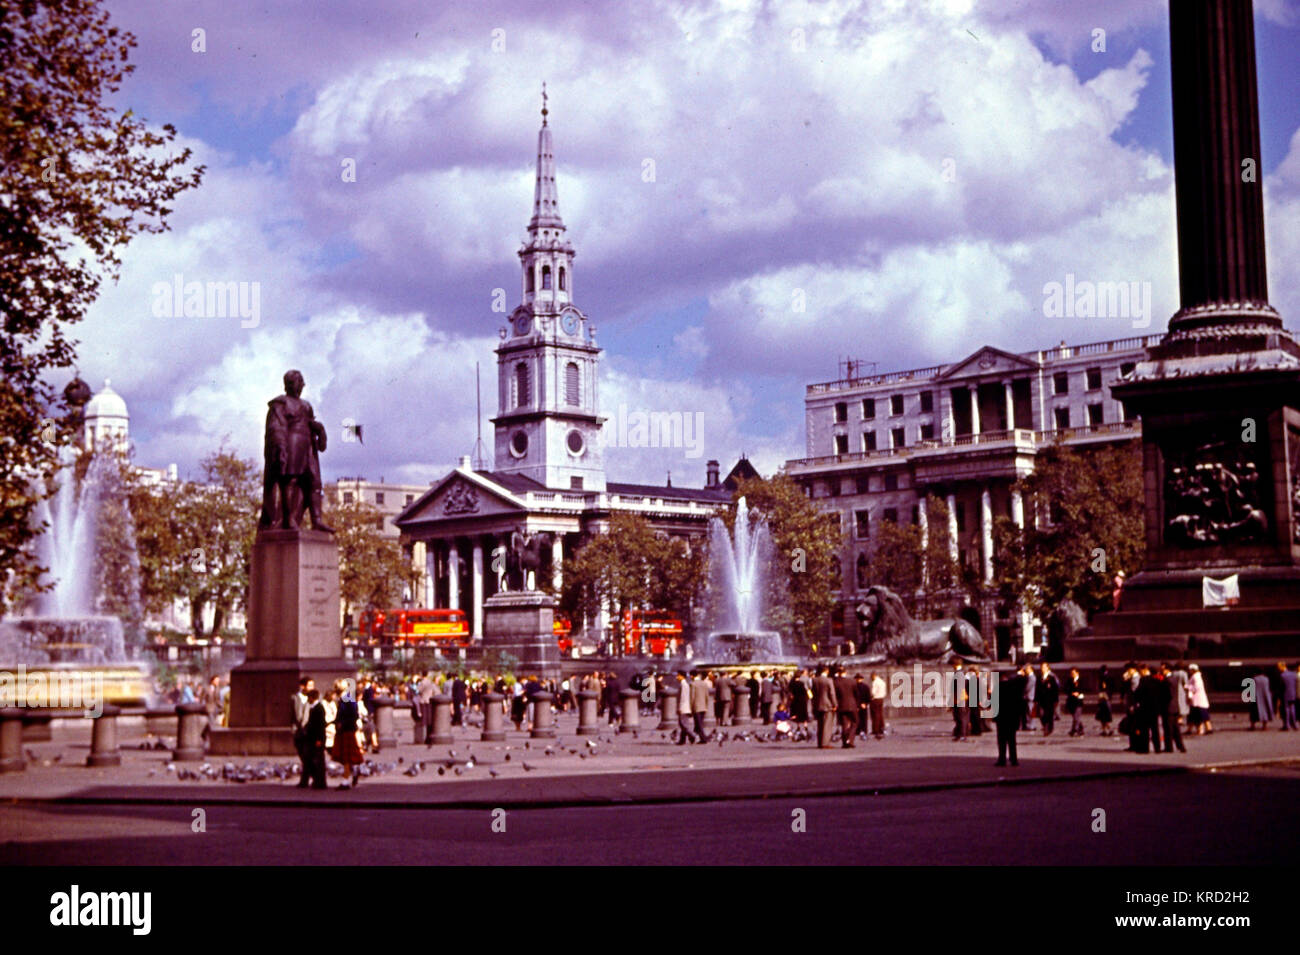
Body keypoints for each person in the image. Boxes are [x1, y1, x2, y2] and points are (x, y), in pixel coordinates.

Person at [330, 680, 366, 788]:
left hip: (346, 730)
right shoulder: (348, 698)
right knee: (348, 755)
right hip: (347, 729)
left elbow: (353, 715)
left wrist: (341, 722)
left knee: (346, 756)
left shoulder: (346, 699)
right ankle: (355, 770)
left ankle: (346, 780)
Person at [995, 668, 1026, 767]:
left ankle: (1002, 759)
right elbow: (1020, 703)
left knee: (1001, 740)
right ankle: (1014, 759)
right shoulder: (1014, 688)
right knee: (1012, 739)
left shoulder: (998, 687)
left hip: (1001, 717)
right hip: (1012, 717)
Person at [292, 676, 315, 788]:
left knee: (307, 756)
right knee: (303, 756)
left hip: (309, 731)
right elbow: (296, 716)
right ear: (302, 686)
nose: (312, 688)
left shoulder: (314, 698)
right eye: (310, 685)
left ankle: (306, 780)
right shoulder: (295, 698)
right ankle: (310, 778)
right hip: (299, 732)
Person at [303, 689, 328, 789]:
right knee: (313, 760)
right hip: (312, 738)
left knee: (319, 761)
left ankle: (320, 782)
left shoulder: (319, 708)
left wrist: (319, 740)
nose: (307, 700)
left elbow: (320, 726)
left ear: (312, 698)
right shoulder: (314, 708)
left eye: (308, 698)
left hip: (317, 738)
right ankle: (317, 780)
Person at [1160, 663, 1187, 753]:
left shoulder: (1166, 680)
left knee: (1168, 729)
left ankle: (1169, 747)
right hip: (1175, 706)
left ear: (1167, 669)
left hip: (1168, 707)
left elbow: (1166, 694)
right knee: (1176, 729)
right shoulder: (1174, 679)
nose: (1161, 671)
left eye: (1163, 669)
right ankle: (1181, 746)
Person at [833, 667, 859, 748]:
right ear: (845, 672)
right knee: (855, 722)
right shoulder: (852, 681)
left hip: (841, 706)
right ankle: (850, 739)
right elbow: (856, 694)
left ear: (838, 673)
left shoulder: (836, 682)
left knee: (844, 724)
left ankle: (845, 742)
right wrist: (857, 704)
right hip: (852, 705)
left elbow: (835, 695)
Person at [812, 666, 837, 748]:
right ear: (827, 671)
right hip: (827, 704)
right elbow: (832, 693)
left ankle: (819, 742)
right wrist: (835, 704)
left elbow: (813, 693)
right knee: (827, 724)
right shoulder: (829, 680)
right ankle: (825, 743)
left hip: (818, 704)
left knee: (820, 724)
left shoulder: (815, 680)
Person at [1187, 663, 1212, 734]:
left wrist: (1187, 687)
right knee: (1194, 715)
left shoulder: (1196, 677)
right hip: (1197, 700)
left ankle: (1207, 728)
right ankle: (1192, 729)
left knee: (1200, 715)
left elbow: (1196, 687)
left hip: (1198, 700)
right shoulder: (1196, 676)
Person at [1037, 662, 1060, 736]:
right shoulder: (1039, 678)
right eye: (1042, 667)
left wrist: (1056, 700)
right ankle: (1046, 726)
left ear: (1047, 668)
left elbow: (1055, 690)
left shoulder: (1051, 678)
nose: (1043, 669)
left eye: (1044, 667)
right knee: (1041, 715)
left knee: (1049, 715)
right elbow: (1037, 689)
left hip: (1050, 700)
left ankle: (1048, 728)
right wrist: (1036, 699)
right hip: (1041, 700)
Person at [675, 672, 696, 744]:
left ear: (682, 676)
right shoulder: (685, 684)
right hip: (686, 707)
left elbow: (683, 698)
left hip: (683, 707)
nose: (677, 677)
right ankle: (682, 740)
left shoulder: (683, 685)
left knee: (683, 724)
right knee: (683, 724)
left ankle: (692, 735)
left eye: (678, 676)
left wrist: (679, 708)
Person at [689, 672, 711, 743]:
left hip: (696, 707)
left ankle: (704, 738)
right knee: (698, 723)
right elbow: (707, 696)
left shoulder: (693, 684)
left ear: (692, 676)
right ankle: (693, 737)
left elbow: (692, 697)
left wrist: (690, 708)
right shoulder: (704, 683)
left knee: (699, 724)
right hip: (703, 706)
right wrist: (706, 706)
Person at [1063, 668, 1085, 737]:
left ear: (1077, 673)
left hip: (1078, 701)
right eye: (1071, 673)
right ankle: (1079, 729)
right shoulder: (1069, 681)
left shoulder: (1081, 681)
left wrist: (1079, 693)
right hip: (1071, 701)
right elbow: (1066, 689)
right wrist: (1072, 693)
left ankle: (1075, 730)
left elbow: (1084, 689)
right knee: (1075, 717)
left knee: (1076, 716)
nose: (1072, 674)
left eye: (1074, 673)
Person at [951, 660, 969, 741]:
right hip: (959, 698)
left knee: (961, 717)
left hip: (960, 699)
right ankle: (960, 734)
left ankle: (962, 734)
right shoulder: (960, 673)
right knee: (959, 717)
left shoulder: (959, 674)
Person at [1277, 662, 1297, 731]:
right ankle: (1294, 725)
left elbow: (1281, 687)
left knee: (1286, 710)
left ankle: (1287, 725)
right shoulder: (1293, 674)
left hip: (1285, 695)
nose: (1278, 669)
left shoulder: (1282, 675)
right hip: (1292, 694)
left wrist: (1279, 696)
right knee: (1292, 709)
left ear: (1282, 666)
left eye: (1279, 667)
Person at [869, 672, 886, 739]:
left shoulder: (875, 682)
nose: (871, 678)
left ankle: (875, 730)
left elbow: (873, 692)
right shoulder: (882, 682)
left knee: (875, 715)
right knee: (880, 714)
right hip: (881, 699)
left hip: (875, 699)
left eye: (871, 677)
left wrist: (870, 697)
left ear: (874, 676)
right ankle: (881, 728)